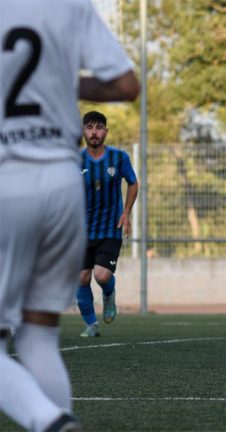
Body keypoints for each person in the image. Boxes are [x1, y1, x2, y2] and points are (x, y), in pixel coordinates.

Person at [0, 0, 139, 430]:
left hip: (9, 180)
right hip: (63, 182)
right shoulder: (69, 6)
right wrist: (58, 82)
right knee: (39, 334)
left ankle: (49, 422)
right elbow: (126, 85)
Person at [77, 111, 138, 338]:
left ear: (106, 132)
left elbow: (133, 183)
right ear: (83, 131)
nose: (94, 132)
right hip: (81, 230)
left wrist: (126, 212)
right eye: (89, 127)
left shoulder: (119, 158)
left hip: (109, 227)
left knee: (101, 275)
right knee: (81, 278)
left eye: (99, 127)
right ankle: (91, 325)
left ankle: (108, 293)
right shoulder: (75, 160)